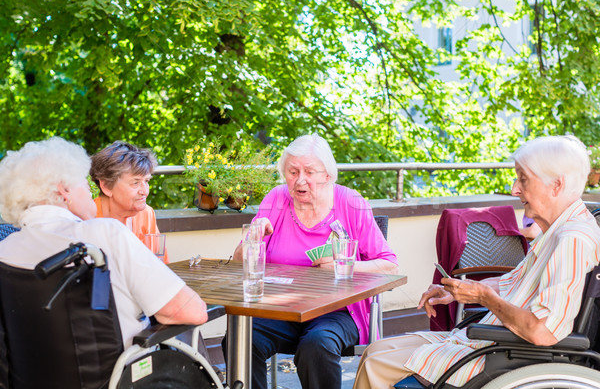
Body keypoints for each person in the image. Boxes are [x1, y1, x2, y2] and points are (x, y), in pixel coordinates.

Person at [353, 135, 600, 388]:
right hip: (495, 344)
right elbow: (511, 283)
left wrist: (484, 297)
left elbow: (543, 331)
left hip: (506, 355)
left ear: (556, 185)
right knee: (374, 350)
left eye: (523, 179)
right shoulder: (559, 230)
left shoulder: (572, 240)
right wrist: (460, 292)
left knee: (376, 365)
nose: (515, 189)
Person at [227, 133, 399, 389]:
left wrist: (345, 265)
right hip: (281, 309)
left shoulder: (351, 203)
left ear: (328, 175)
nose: (300, 180)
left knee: (316, 346)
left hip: (337, 312)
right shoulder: (276, 199)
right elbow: (238, 261)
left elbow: (390, 265)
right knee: (240, 338)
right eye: (293, 171)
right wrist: (250, 240)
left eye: (309, 171)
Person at [0, 137, 207, 348]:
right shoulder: (105, 233)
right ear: (63, 190)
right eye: (83, 182)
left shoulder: (5, 249)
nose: (91, 191)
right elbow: (191, 311)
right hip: (125, 372)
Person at [90, 140, 169, 263]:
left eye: (147, 181)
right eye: (135, 183)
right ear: (106, 186)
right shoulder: (87, 220)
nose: (145, 191)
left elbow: (163, 266)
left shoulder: (146, 214)